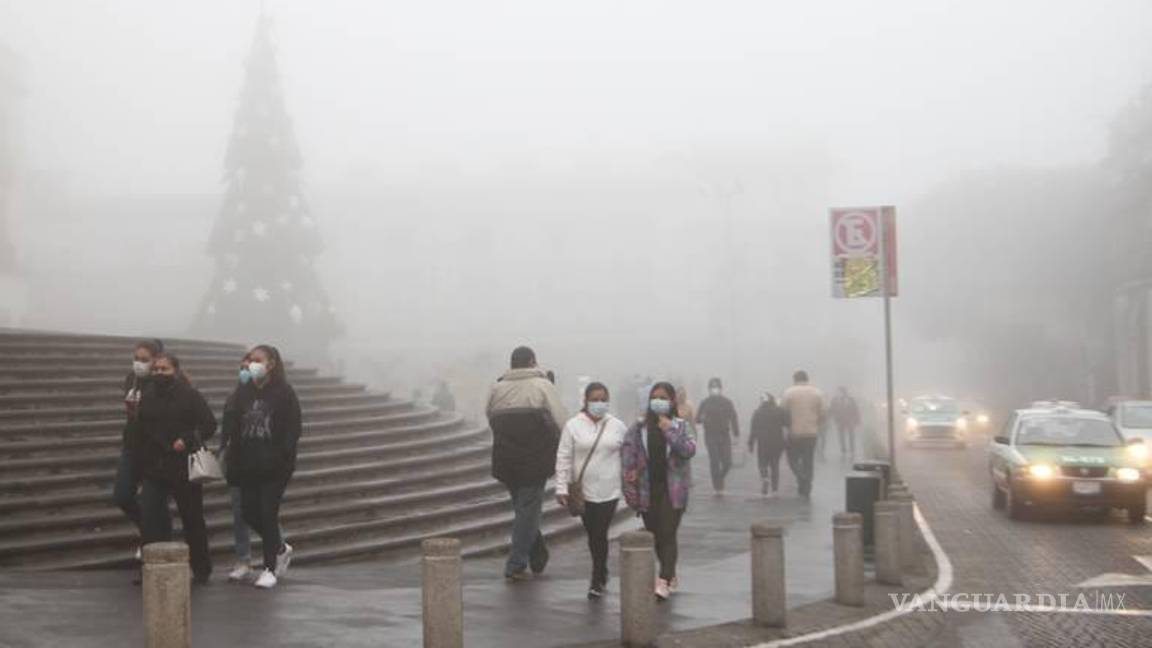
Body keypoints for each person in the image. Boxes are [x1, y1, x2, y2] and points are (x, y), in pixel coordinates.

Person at [222, 344, 302, 589]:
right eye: (249, 359)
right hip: (247, 463)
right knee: (247, 512)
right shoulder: (243, 391)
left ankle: (269, 568)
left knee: (268, 512)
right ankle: (279, 547)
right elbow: (233, 424)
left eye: (257, 360)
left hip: (274, 465)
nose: (251, 364)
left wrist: (281, 456)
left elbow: (293, 429)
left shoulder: (284, 392)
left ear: (271, 364)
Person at [487, 346, 567, 581]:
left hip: (505, 458)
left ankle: (538, 551)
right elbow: (561, 420)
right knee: (527, 511)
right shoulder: (543, 386)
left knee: (524, 510)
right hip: (535, 458)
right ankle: (516, 563)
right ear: (532, 362)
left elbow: (489, 416)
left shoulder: (497, 387)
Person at [136, 353, 216, 584]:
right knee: (150, 519)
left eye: (165, 369)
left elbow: (209, 424)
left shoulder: (189, 395)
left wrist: (188, 439)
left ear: (176, 371)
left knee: (192, 519)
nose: (159, 373)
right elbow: (141, 430)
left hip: (183, 466)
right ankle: (150, 568)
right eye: (156, 369)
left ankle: (201, 569)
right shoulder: (147, 395)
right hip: (154, 466)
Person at [621, 382, 696, 601]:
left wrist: (669, 431)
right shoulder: (639, 428)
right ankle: (670, 572)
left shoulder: (680, 426)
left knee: (668, 532)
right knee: (656, 535)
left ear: (672, 401)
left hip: (673, 490)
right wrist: (630, 472)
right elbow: (628, 452)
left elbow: (688, 450)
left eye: (663, 397)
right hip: (647, 489)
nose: (658, 401)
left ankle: (663, 579)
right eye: (654, 397)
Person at [555, 382, 627, 600]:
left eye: (603, 399)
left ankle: (597, 578)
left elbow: (630, 454)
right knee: (593, 533)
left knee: (600, 532)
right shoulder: (573, 426)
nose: (599, 403)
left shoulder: (617, 425)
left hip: (610, 490)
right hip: (583, 491)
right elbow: (563, 456)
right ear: (585, 401)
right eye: (594, 399)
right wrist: (561, 486)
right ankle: (601, 569)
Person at [113, 339, 170, 560]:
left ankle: (155, 542)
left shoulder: (161, 382)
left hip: (155, 449)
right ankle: (149, 533)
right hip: (132, 445)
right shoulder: (131, 379)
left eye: (144, 360)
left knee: (153, 502)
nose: (139, 363)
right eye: (136, 359)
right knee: (122, 494)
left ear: (156, 360)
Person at [781, 370, 825, 498]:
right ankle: (807, 485)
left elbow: (783, 412)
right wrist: (816, 423)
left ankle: (802, 478)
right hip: (811, 433)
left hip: (794, 433)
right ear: (807, 379)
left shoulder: (788, 393)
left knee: (792, 460)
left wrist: (786, 426)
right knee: (808, 460)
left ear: (795, 380)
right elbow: (823, 413)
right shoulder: (817, 393)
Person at [695, 377, 739, 493]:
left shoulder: (727, 402)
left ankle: (719, 477)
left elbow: (733, 417)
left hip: (724, 435)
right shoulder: (705, 403)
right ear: (709, 389)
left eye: (717, 387)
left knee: (727, 462)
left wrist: (736, 433)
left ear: (721, 388)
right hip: (710, 435)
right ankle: (717, 486)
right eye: (712, 387)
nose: (715, 389)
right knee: (714, 461)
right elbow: (697, 419)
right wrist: (702, 418)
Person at [748, 393, 789, 496]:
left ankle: (765, 477)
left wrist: (751, 443)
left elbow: (753, 430)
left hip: (763, 443)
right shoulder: (780, 411)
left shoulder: (757, 413)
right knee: (775, 465)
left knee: (762, 463)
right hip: (777, 442)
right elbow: (787, 425)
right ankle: (775, 490)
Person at [829, 387, 861, 459]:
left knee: (851, 435)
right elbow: (831, 409)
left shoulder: (851, 399)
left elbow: (855, 409)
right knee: (841, 435)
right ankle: (843, 450)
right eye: (840, 392)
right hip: (840, 421)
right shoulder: (835, 400)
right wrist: (832, 418)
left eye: (842, 392)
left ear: (845, 392)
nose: (841, 393)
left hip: (850, 420)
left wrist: (857, 420)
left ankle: (852, 449)